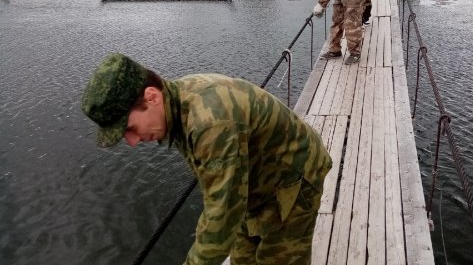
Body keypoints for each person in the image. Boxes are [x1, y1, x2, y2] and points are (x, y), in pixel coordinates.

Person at [81, 53, 332, 265]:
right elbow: (217, 200)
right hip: (251, 182)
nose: (133, 141)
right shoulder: (176, 104)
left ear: (152, 97)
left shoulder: (210, 122)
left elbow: (222, 219)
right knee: (242, 258)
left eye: (130, 129)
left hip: (293, 179)